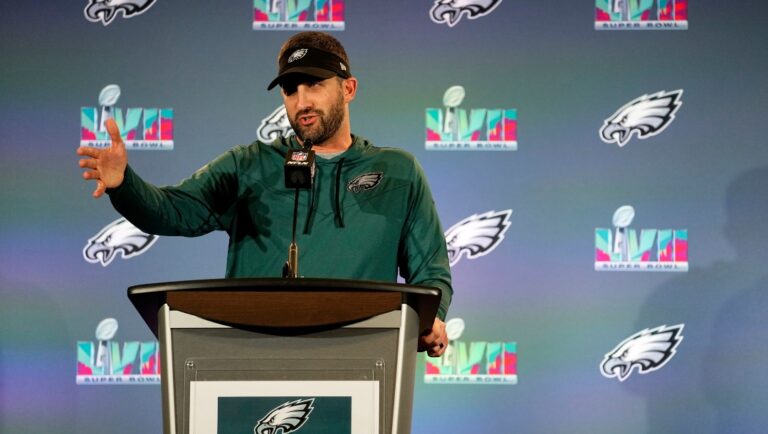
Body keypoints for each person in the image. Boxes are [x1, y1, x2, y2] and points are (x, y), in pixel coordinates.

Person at [76, 31, 452, 357]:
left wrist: (432, 318)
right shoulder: (249, 165)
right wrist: (125, 183)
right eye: (291, 90)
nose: (301, 102)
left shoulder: (398, 172)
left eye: (315, 84)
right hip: (252, 362)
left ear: (348, 88)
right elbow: (172, 211)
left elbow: (430, 270)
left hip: (363, 362)